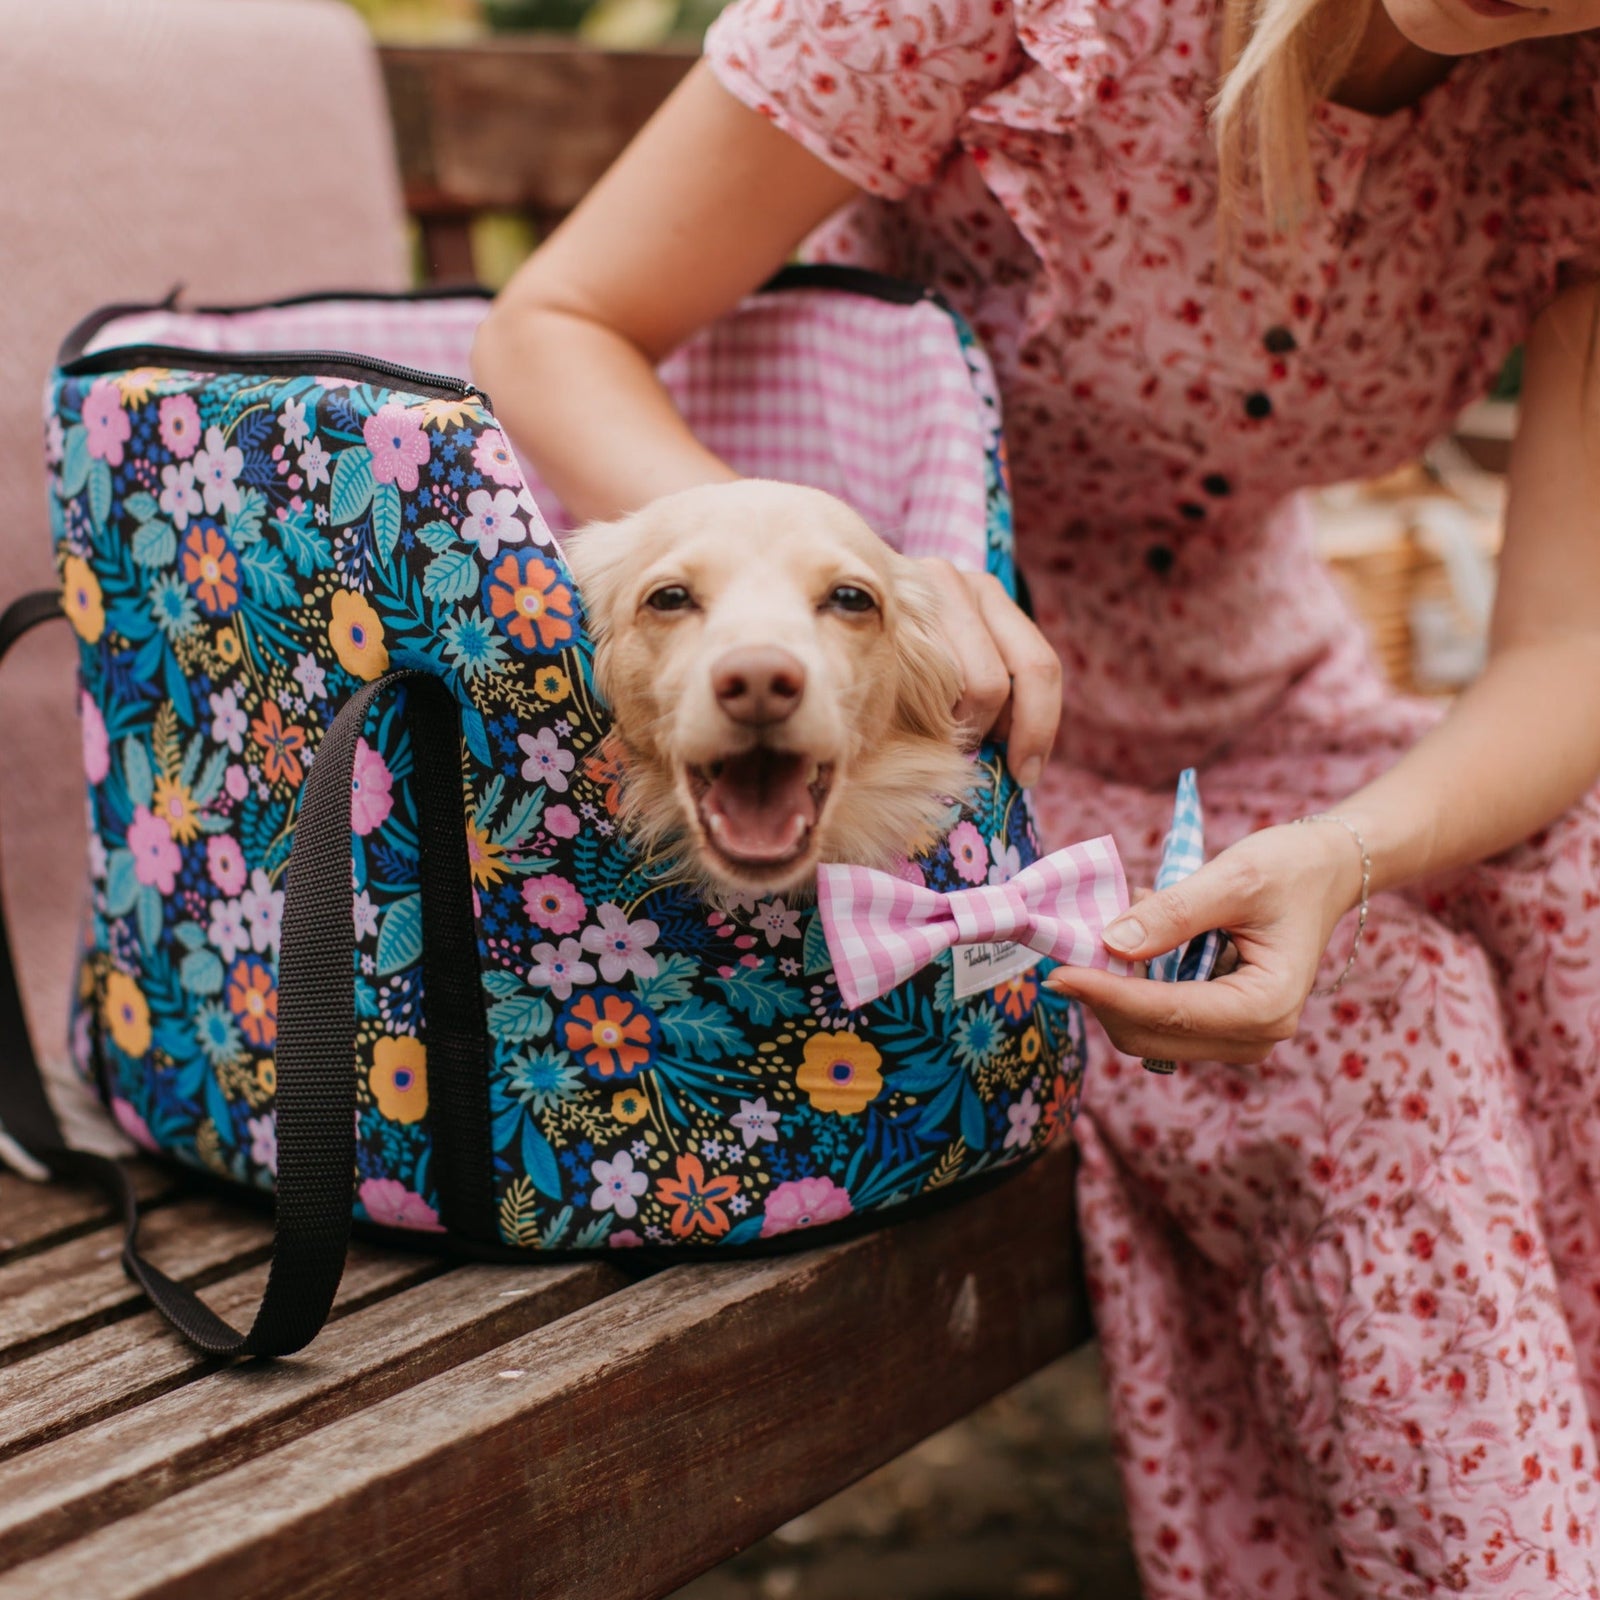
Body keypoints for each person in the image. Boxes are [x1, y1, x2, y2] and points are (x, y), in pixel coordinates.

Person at [473, 0, 1600, 1588]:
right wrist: (857, 599)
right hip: (938, 757)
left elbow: (1571, 640)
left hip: (1280, 697)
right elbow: (555, 322)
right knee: (1389, 1015)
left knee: (1581, 911)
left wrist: (1348, 854)